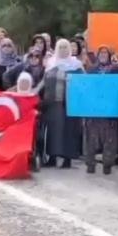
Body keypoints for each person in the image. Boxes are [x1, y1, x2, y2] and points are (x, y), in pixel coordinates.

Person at [41, 39, 84, 169]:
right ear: (56, 48)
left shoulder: (76, 64)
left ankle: (67, 159)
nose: (63, 50)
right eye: (61, 47)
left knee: (69, 131)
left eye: (66, 47)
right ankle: (52, 157)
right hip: (53, 103)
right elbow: (43, 82)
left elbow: (83, 83)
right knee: (53, 131)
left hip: (69, 104)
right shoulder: (50, 63)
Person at [83, 46, 118, 175]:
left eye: (106, 53)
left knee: (110, 140)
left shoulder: (116, 70)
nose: (103, 55)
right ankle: (90, 164)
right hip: (94, 110)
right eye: (101, 53)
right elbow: (85, 87)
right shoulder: (91, 70)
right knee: (90, 138)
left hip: (110, 111)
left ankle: (108, 164)